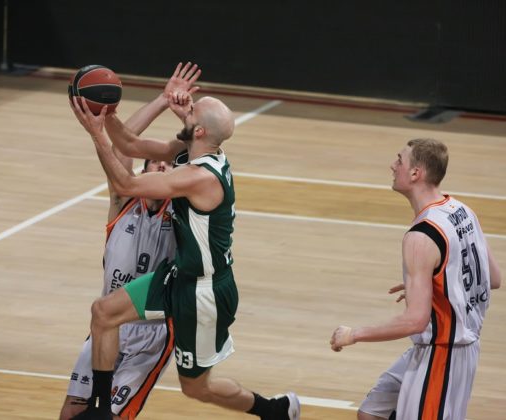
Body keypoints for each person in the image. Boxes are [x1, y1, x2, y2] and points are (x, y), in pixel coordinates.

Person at [69, 63, 300, 420]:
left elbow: (126, 184)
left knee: (196, 388)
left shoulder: (200, 176)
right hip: (178, 275)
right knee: (103, 313)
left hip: (205, 293)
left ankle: (274, 409)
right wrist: (107, 112)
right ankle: (100, 409)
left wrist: (97, 134)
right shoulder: (191, 150)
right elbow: (129, 144)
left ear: (200, 130)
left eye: (191, 110)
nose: (185, 106)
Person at [60, 63, 197, 420]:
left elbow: (193, 149)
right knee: (71, 412)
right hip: (108, 324)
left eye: (168, 167)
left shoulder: (181, 209)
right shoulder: (122, 199)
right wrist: (162, 101)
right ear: (142, 170)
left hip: (152, 331)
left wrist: (184, 116)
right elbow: (125, 141)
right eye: (156, 165)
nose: (163, 169)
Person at [330, 138, 502, 420]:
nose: (392, 165)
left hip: (443, 354)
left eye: (399, 160)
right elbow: (493, 278)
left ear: (415, 173)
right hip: (448, 347)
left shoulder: (421, 236)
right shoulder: (461, 210)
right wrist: (436, 282)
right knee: (371, 413)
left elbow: (415, 321)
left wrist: (353, 334)